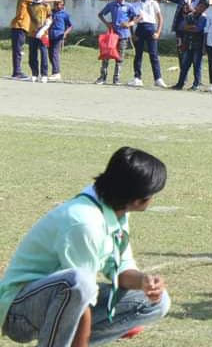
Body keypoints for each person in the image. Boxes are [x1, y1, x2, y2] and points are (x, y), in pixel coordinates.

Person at [0, 147, 171, 346]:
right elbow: (81, 293)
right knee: (80, 282)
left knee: (155, 302)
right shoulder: (84, 222)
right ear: (137, 199)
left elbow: (121, 270)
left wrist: (143, 281)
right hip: (19, 313)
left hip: (62, 302)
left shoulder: (116, 208)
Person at [96, 0, 139, 86]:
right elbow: (100, 14)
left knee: (119, 58)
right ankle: (102, 77)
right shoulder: (111, 5)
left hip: (123, 35)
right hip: (112, 35)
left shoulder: (128, 6)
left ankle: (116, 79)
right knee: (106, 56)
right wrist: (107, 23)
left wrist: (129, 24)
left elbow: (137, 17)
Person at [131, 0, 166, 88]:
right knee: (138, 55)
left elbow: (160, 19)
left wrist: (158, 32)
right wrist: (132, 34)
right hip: (140, 29)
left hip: (151, 29)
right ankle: (137, 78)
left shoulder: (153, 3)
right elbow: (131, 20)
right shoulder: (135, 4)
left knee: (154, 55)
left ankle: (158, 78)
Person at [172, 0, 208, 91]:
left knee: (197, 66)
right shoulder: (189, 15)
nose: (201, 8)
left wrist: (188, 27)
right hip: (187, 44)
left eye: (203, 7)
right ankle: (180, 84)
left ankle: (196, 84)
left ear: (205, 9)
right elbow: (181, 26)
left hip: (198, 45)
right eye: (200, 5)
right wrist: (190, 27)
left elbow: (198, 29)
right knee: (184, 65)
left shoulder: (204, 18)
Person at [26, 0, 52, 83]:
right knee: (32, 54)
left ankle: (44, 74)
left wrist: (46, 26)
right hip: (32, 33)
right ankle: (34, 73)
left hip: (43, 34)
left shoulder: (46, 5)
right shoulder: (30, 5)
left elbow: (49, 17)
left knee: (44, 53)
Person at [9, 0, 34, 81]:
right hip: (19, 27)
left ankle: (17, 71)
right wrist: (55, 0)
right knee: (18, 51)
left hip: (21, 28)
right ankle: (17, 72)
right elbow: (39, 0)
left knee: (19, 51)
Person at [46, 0, 73, 81]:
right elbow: (43, 2)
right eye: (56, 4)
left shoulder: (64, 14)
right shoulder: (50, 12)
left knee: (55, 53)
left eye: (60, 4)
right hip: (49, 35)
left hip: (59, 35)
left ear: (63, 5)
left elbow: (70, 26)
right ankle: (55, 71)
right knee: (50, 54)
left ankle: (56, 73)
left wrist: (65, 33)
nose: (58, 6)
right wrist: (52, 0)